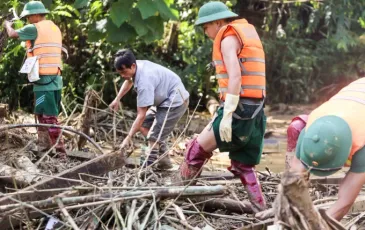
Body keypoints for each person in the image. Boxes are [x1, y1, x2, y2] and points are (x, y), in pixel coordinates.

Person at [174, 1, 267, 211]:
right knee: (243, 164)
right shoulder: (246, 32)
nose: (205, 31)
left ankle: (175, 197)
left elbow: (235, 77)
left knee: (194, 151)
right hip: (256, 108)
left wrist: (228, 114)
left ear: (217, 22)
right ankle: (262, 209)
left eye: (205, 27)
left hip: (239, 108)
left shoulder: (227, 38)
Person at [288, 77, 365, 221]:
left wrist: (318, 225)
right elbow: (295, 172)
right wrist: (288, 207)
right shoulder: (312, 128)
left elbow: (344, 202)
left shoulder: (362, 140)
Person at [4, 1, 68, 157]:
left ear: (34, 15)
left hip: (44, 81)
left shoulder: (34, 28)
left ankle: (60, 151)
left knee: (48, 116)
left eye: (28, 17)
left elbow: (12, 34)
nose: (27, 20)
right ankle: (45, 147)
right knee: (41, 112)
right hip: (55, 78)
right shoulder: (54, 27)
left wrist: (6, 25)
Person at [109, 49, 189, 169]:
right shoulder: (136, 67)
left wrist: (128, 137)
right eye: (120, 73)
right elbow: (129, 80)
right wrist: (117, 98)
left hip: (175, 101)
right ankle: (164, 161)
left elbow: (140, 115)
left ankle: (147, 169)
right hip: (163, 100)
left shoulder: (144, 82)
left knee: (154, 135)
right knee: (144, 125)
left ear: (133, 66)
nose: (122, 76)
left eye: (124, 72)